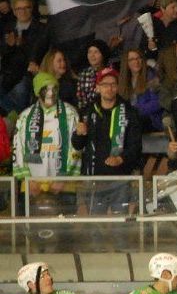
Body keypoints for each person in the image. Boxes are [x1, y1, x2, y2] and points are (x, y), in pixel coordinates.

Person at [72, 67, 142, 214]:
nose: (109, 88)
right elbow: (77, 145)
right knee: (96, 230)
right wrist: (79, 134)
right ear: (98, 88)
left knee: (120, 230)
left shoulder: (129, 112)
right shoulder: (88, 111)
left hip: (121, 179)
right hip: (95, 180)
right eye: (105, 84)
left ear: (117, 87)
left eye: (113, 84)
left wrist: (120, 159)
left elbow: (136, 147)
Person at [12, 72, 81, 193]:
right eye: (45, 89)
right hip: (32, 187)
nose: (50, 93)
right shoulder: (25, 116)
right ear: (37, 91)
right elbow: (17, 149)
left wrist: (64, 178)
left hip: (64, 186)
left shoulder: (70, 113)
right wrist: (27, 179)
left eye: (54, 89)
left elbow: (76, 148)